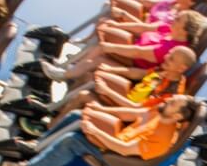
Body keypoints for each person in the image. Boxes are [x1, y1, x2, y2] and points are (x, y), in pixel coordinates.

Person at [1, 96, 198, 166]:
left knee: (72, 140)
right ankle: (37, 147)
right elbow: (129, 113)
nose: (166, 101)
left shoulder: (162, 141)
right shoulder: (159, 111)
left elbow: (124, 149)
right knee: (77, 115)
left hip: (115, 161)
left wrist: (94, 130)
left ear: (178, 117)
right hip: (112, 141)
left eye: (172, 103)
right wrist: (98, 110)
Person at [43, 10, 207, 82]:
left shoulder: (172, 49)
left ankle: (64, 73)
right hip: (133, 48)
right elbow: (142, 27)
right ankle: (73, 66)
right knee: (107, 26)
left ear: (185, 29)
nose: (173, 20)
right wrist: (116, 26)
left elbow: (138, 52)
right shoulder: (168, 29)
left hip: (134, 64)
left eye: (178, 20)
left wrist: (109, 47)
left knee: (100, 52)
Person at [51, 46, 196, 117]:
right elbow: (137, 73)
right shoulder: (164, 71)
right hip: (126, 96)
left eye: (171, 59)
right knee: (90, 75)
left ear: (181, 68)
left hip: (126, 112)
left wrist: (107, 91)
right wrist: (111, 70)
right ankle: (59, 109)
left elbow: (136, 109)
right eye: (168, 55)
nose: (165, 58)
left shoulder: (170, 94)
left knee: (83, 95)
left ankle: (49, 128)